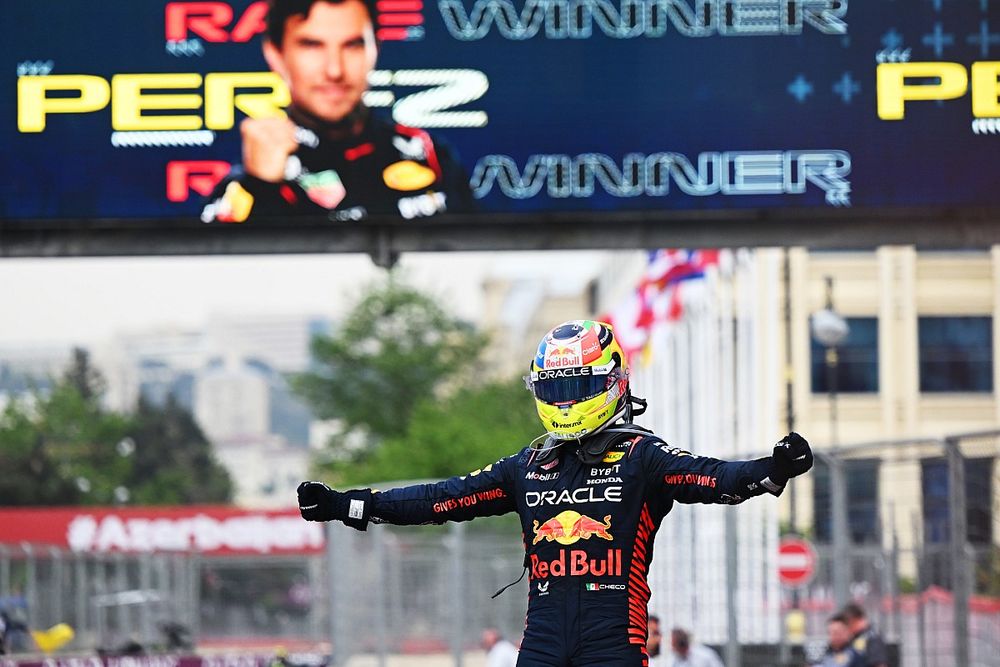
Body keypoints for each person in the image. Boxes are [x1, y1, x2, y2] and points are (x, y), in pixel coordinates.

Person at [297, 319, 813, 666]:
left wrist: (773, 468)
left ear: (612, 383)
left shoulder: (643, 456)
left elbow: (714, 478)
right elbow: (443, 498)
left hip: (614, 638)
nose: (565, 403)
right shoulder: (527, 464)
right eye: (555, 389)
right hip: (542, 638)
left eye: (576, 388)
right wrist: (350, 504)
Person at [202, 0, 476, 223]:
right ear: (276, 54)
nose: (334, 70)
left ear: (375, 50)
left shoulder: (427, 153)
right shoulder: (249, 180)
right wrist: (260, 186)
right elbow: (214, 279)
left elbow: (477, 268)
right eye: (312, 45)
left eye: (353, 45)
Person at [841, 603, 889, 667]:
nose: (847, 628)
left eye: (848, 623)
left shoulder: (872, 637)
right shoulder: (856, 637)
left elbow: (879, 664)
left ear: (854, 620)